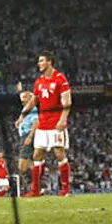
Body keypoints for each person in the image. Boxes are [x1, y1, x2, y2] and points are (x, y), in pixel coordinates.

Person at [17, 51, 72, 197]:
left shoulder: (61, 79)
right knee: (37, 154)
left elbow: (67, 102)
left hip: (55, 122)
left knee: (59, 153)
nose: (39, 64)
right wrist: (22, 115)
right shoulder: (39, 81)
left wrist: (63, 119)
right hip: (43, 123)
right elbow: (34, 100)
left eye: (41, 61)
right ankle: (35, 190)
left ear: (49, 62)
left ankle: (65, 189)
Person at [14, 85, 38, 193]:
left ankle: (34, 185)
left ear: (30, 97)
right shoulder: (26, 109)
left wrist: (30, 136)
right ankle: (35, 187)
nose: (22, 100)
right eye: (21, 98)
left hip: (28, 136)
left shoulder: (32, 108)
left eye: (24, 97)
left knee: (22, 166)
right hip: (24, 136)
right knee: (30, 164)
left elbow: (36, 123)